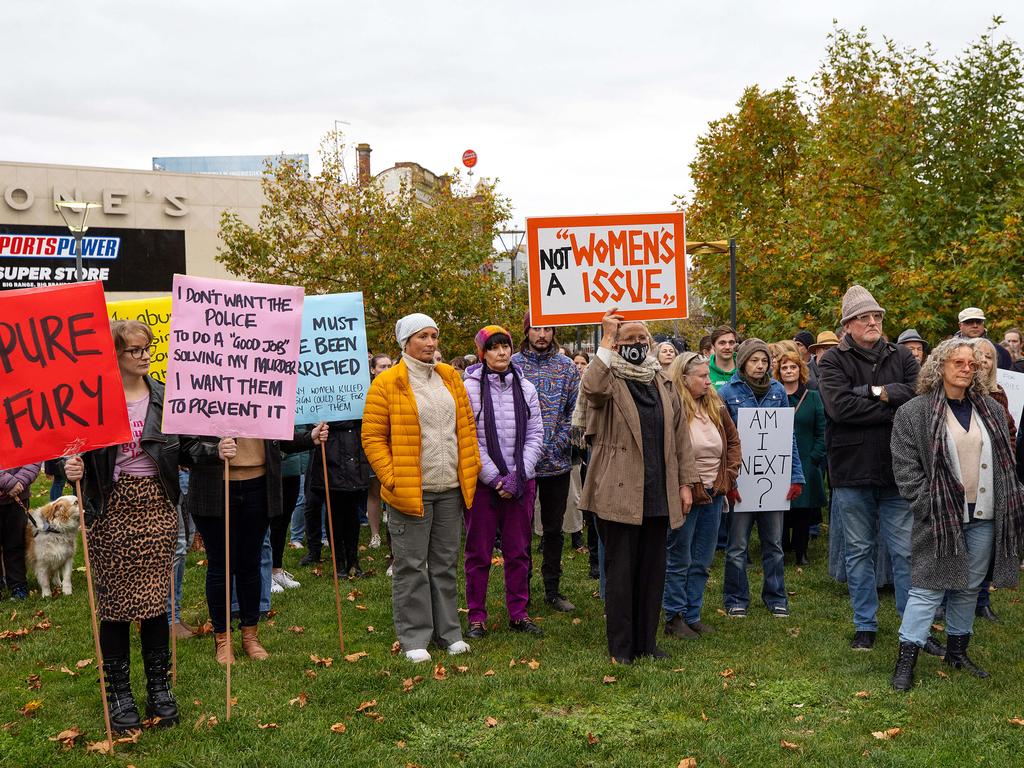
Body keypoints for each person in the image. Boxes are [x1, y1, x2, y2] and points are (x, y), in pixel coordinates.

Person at [63, 320, 182, 732]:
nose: (146, 355)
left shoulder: (165, 397)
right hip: (110, 511)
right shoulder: (94, 399)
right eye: (135, 350)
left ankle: (159, 688)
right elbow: (57, 451)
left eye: (147, 348)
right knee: (114, 607)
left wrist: (216, 447)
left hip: (157, 509)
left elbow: (189, 447)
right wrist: (69, 464)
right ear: (114, 354)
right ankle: (118, 692)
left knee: (153, 604)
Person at [889, 338, 1024, 690]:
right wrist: (927, 504)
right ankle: (906, 660)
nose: (967, 368)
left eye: (973, 364)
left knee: (969, 585)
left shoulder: (991, 410)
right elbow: (905, 469)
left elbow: (1006, 461)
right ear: (939, 367)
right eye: (958, 362)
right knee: (928, 587)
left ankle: (957, 650)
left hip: (985, 511)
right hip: (939, 517)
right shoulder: (914, 412)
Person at [578, 309, 697, 662]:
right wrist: (605, 342)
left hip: (658, 491)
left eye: (641, 339)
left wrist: (685, 483)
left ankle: (647, 642)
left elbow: (679, 438)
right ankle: (622, 647)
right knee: (621, 572)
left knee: (651, 569)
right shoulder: (608, 374)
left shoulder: (661, 381)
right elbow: (592, 389)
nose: (636, 345)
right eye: (628, 339)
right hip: (618, 490)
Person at [362, 313, 480, 663]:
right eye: (423, 337)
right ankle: (414, 638)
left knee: (444, 563)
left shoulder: (449, 377)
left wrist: (467, 470)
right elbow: (372, 437)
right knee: (412, 565)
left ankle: (449, 632)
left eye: (434, 336)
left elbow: (466, 426)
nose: (431, 343)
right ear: (405, 342)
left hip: (449, 488)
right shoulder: (387, 383)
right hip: (410, 490)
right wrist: (393, 477)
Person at [818, 285, 925, 651]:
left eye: (877, 316)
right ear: (848, 325)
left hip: (898, 470)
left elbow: (918, 396)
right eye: (865, 317)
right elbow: (839, 409)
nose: (873, 322)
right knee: (858, 551)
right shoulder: (832, 361)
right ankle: (866, 625)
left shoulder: (902, 357)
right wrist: (890, 400)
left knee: (905, 551)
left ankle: (911, 628)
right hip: (851, 471)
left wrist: (871, 392)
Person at [182, 421, 325, 664]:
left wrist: (308, 437)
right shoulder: (201, 385)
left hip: (259, 486)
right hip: (214, 488)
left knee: (251, 562)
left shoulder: (259, 384)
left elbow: (277, 428)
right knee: (220, 564)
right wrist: (213, 451)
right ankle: (223, 638)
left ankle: (250, 635)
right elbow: (183, 446)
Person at [463, 326, 544, 638]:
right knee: (478, 551)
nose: (501, 353)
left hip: (521, 481)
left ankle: (518, 613)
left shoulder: (526, 388)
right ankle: (477, 617)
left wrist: (518, 474)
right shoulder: (468, 389)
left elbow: (536, 434)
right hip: (485, 484)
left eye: (505, 347)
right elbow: (468, 437)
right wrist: (494, 477)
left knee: (519, 550)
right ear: (483, 353)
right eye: (494, 348)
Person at [718, 340, 804, 617]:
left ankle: (776, 596)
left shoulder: (778, 391)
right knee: (737, 546)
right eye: (754, 360)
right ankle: (735, 598)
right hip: (742, 481)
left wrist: (795, 476)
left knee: (774, 545)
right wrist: (728, 482)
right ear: (743, 362)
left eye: (764, 361)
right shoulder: (728, 392)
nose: (760, 366)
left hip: (772, 480)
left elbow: (786, 437)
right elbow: (723, 440)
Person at [662, 352, 740, 639]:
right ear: (684, 379)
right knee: (679, 557)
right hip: (686, 493)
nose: (709, 381)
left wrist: (728, 476)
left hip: (714, 492)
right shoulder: (672, 409)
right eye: (702, 377)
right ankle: (674, 615)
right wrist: (684, 484)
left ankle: (692, 614)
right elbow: (670, 453)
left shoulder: (716, 405)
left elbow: (733, 441)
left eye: (708, 376)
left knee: (703, 559)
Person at [512, 314, 580, 613]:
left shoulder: (567, 367)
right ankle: (520, 589)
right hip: (519, 463)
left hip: (556, 461)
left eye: (547, 328)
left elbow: (575, 411)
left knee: (553, 529)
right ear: (526, 331)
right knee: (520, 529)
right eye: (536, 328)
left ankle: (552, 589)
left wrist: (557, 442)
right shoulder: (512, 364)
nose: (542, 334)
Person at [774, 349, 826, 565]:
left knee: (803, 508)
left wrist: (814, 457)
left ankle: (801, 551)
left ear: (800, 370)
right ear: (778, 372)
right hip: (777, 460)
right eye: (784, 367)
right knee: (782, 507)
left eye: (793, 367)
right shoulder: (773, 398)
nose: (788, 371)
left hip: (806, 458)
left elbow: (821, 431)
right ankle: (782, 547)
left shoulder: (813, 397)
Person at [305, 420, 372, 579]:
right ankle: (339, 562)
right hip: (331, 454)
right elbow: (312, 422)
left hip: (353, 452)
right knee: (334, 511)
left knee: (352, 512)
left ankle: (352, 560)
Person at [1, 462, 40, 601]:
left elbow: (34, 458)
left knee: (15, 543)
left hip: (17, 497)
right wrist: (7, 482)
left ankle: (18, 585)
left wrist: (20, 483)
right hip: (11, 486)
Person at [366, 354, 393, 550]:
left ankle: (395, 534)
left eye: (389, 365)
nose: (386, 369)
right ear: (372, 370)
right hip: (376, 449)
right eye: (382, 366)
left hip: (395, 450)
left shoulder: (398, 387)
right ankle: (375, 534)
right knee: (374, 492)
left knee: (393, 494)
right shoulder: (366, 391)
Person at [708, 325, 739, 390]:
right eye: (722, 343)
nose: (727, 347)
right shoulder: (705, 370)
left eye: (731, 343)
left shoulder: (744, 368)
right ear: (713, 346)